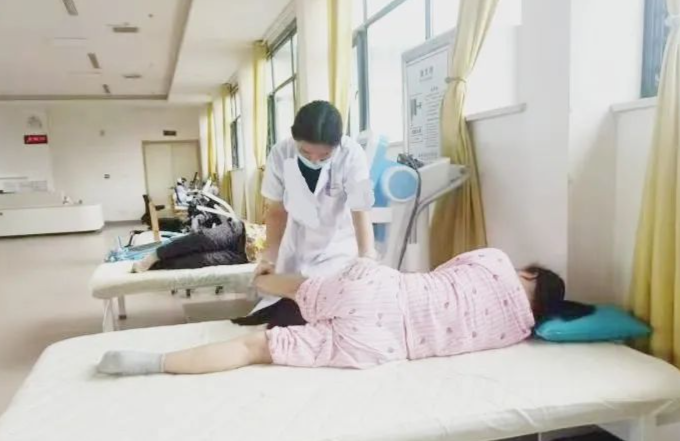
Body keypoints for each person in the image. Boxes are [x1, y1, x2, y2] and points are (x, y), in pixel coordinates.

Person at [96, 248, 594, 375]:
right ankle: (152, 364)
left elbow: (443, 270)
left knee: (308, 288)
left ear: (528, 272)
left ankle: (261, 278)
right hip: (383, 344)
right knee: (255, 348)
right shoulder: (518, 330)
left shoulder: (496, 260)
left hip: (383, 291)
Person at [252, 100, 376, 316]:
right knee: (274, 297)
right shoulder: (281, 153)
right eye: (306, 152)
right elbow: (276, 212)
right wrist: (270, 257)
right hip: (295, 247)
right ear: (295, 139)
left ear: (337, 145)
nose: (315, 160)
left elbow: (360, 209)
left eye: (324, 155)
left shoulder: (351, 154)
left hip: (336, 249)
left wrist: (367, 255)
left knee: (323, 303)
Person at [131, 218, 265, 272]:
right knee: (202, 239)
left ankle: (154, 266)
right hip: (242, 232)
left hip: (246, 256)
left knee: (198, 260)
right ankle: (153, 256)